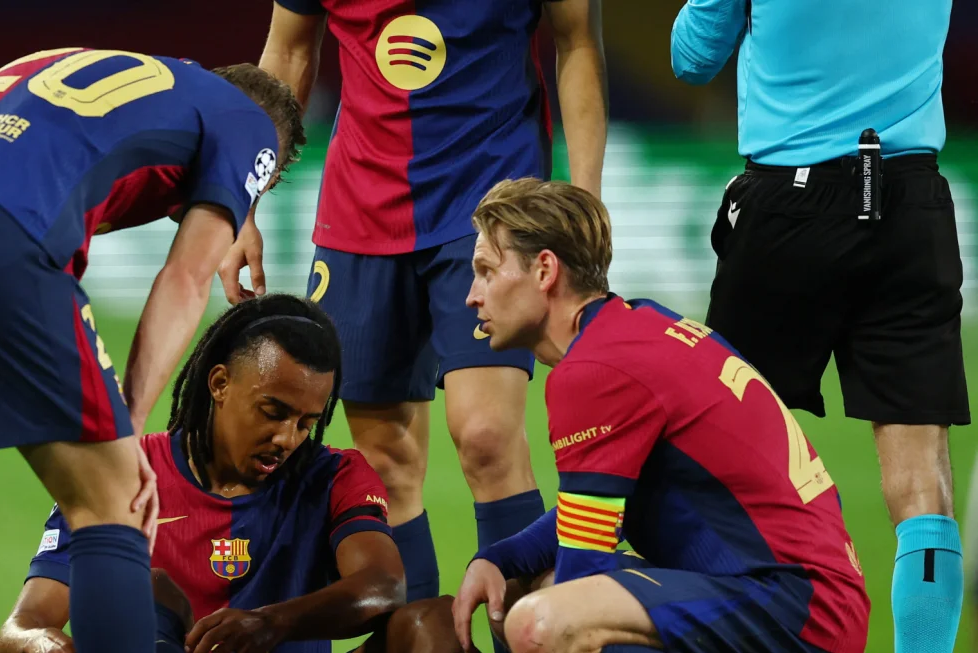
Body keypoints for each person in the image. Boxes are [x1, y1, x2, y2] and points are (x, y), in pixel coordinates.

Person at [0, 48, 304, 653]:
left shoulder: (90, 70)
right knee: (114, 505)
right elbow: (186, 279)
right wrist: (127, 428)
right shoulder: (247, 126)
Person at [218, 1, 608, 621]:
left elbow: (577, 39)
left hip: (493, 199)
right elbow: (288, 52)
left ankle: (535, 635)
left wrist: (583, 201)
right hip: (361, 211)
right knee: (386, 463)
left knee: (486, 437)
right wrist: (241, 203)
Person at [386, 178, 870, 653]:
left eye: (487, 271)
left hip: (794, 610)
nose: (472, 295)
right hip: (800, 597)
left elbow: (579, 580)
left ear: (545, 270)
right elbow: (588, 517)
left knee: (539, 621)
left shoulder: (593, 372)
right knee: (540, 589)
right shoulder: (637, 327)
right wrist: (499, 557)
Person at [670, 1, 966, 650]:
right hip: (909, 204)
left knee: (716, 464)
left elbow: (690, 59)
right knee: (921, 483)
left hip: (786, 207)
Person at [0, 294, 406, 653]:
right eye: (273, 412)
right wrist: (45, 646)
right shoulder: (125, 472)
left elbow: (384, 586)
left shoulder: (335, 474)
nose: (287, 438)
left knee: (428, 623)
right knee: (149, 589)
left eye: (306, 423)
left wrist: (270, 623)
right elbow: (21, 628)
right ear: (220, 383)